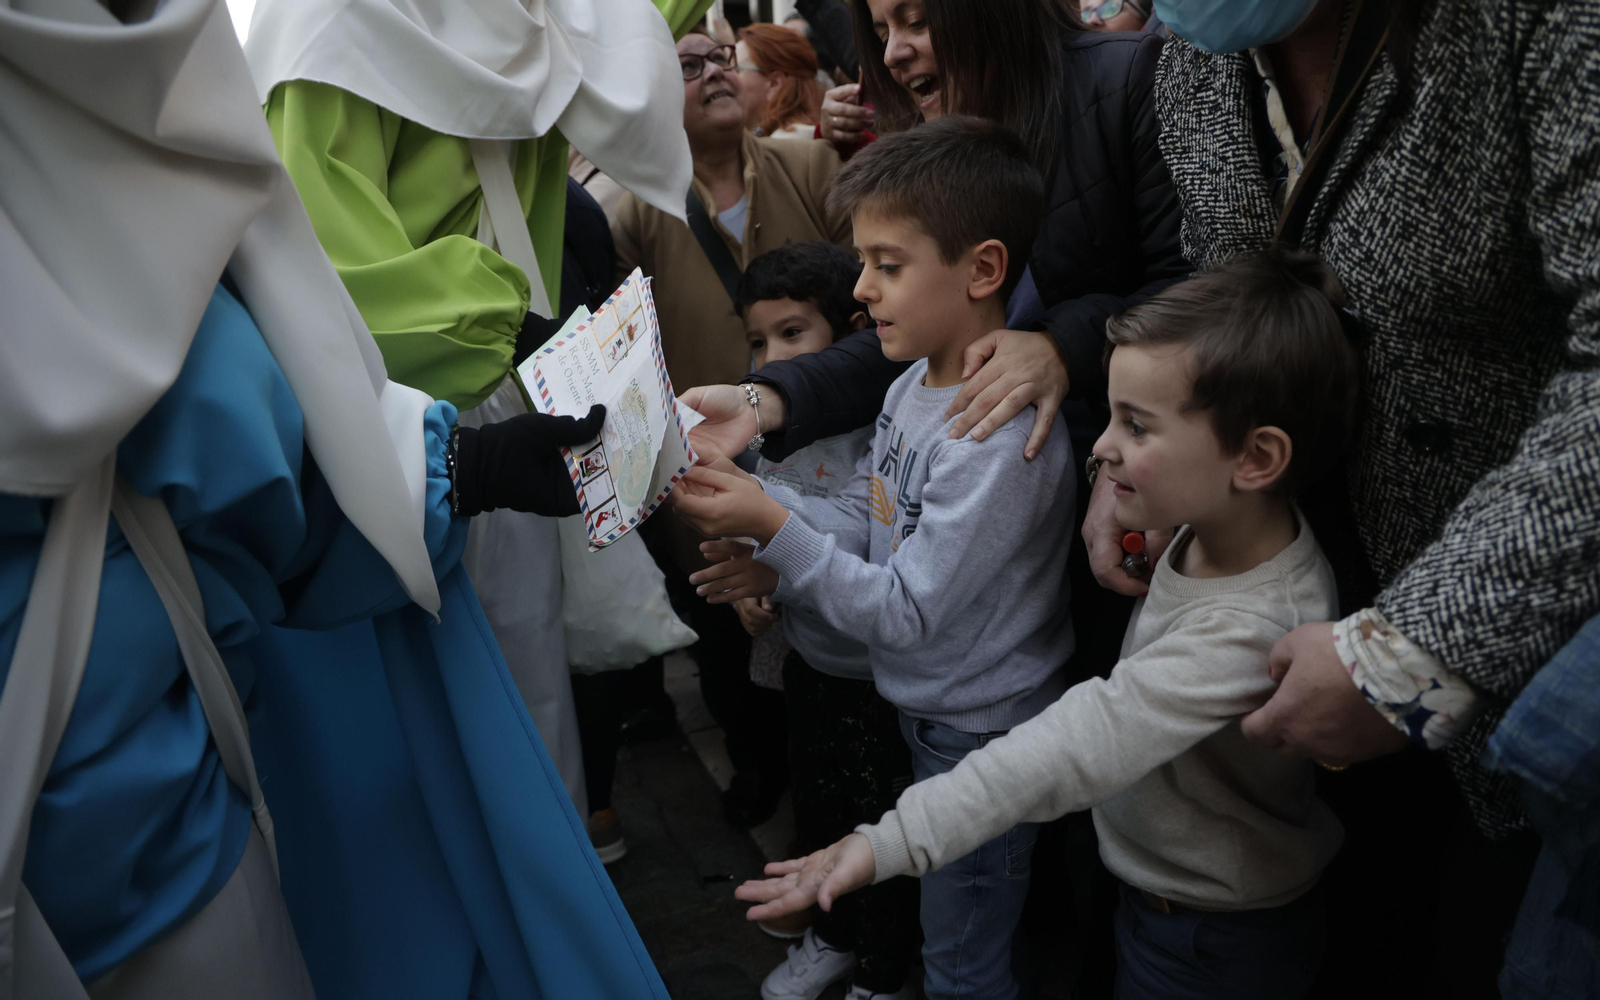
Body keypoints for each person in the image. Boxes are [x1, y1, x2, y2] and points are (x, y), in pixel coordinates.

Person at [0, 2, 669, 998]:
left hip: (151, 746)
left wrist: (469, 459)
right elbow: (233, 385)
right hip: (144, 799)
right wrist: (475, 396)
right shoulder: (303, 40)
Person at [735, 249, 1361, 1000]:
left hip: (1212, 938)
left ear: (1255, 458)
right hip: (1162, 900)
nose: (1100, 445)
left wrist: (881, 845)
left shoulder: (1251, 627)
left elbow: (1075, 747)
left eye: (1135, 426)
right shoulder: (1212, 525)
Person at [1142, 0, 1599, 991]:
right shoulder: (1192, 58)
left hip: (1518, 655)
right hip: (1304, 635)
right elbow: (1218, 294)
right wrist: (1142, 451)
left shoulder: (1535, 22)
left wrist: (1414, 653)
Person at [247, 0, 700, 842]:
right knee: (434, 721)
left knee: (524, 694)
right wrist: (505, 329)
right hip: (402, 419)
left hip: (505, 389)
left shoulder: (527, 10)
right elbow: (319, 265)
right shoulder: (323, 26)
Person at [675, 116, 1072, 1000]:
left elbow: (906, 607)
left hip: (979, 736)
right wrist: (768, 511)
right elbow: (869, 509)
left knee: (964, 959)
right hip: (929, 711)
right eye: (863, 263)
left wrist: (777, 530)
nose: (863, 290)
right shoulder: (909, 383)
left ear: (982, 269)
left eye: (888, 266)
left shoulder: (990, 436)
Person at [614, 27, 853, 829]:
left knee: (826, 615)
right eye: (688, 67)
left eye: (722, 59)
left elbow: (862, 299)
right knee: (723, 621)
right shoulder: (632, 210)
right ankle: (756, 768)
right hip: (708, 460)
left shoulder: (813, 164)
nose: (714, 73)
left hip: (827, 445)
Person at [701, 242, 919, 999]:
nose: (773, 357)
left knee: (880, 825)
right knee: (820, 803)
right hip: (809, 664)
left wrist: (765, 530)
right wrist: (753, 584)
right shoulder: (764, 433)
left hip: (874, 677)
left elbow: (859, 536)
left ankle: (885, 971)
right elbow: (761, 541)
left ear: (854, 331)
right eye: (759, 342)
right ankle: (832, 933)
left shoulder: (877, 426)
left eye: (795, 334)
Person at [736, 23, 826, 139]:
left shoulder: (791, 141)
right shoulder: (767, 137)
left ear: (775, 84)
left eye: (737, 70)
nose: (728, 77)